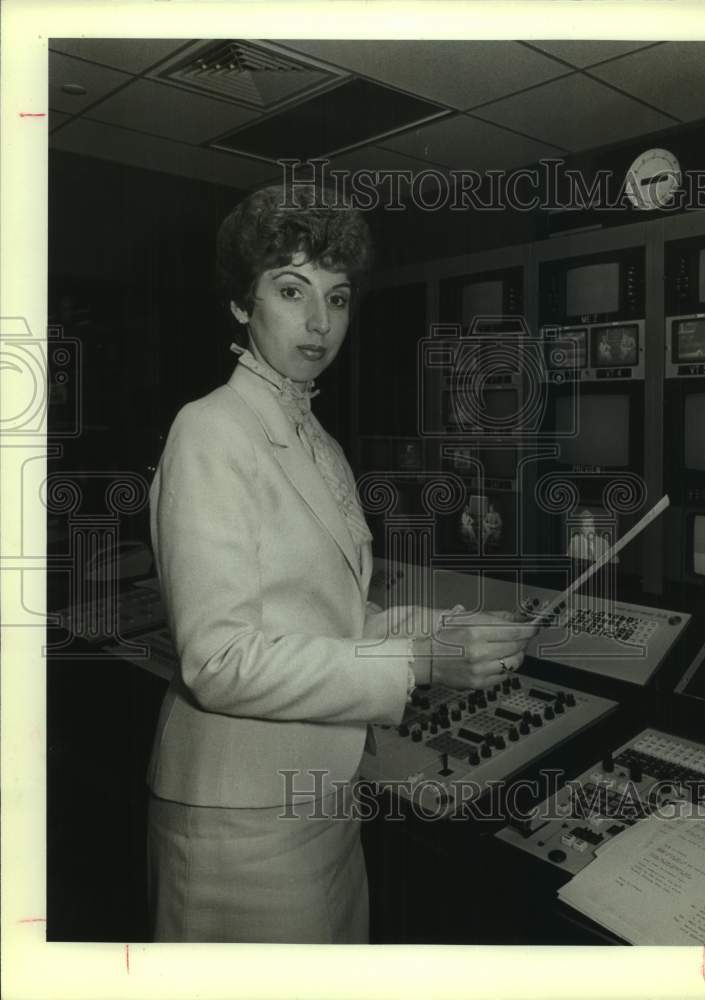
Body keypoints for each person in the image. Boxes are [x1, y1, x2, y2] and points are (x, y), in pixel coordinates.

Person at [145, 183, 536, 944]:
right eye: (292, 291)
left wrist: (437, 629)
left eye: (338, 297)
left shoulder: (316, 439)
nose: (320, 322)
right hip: (241, 821)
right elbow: (218, 661)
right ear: (242, 303)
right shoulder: (211, 430)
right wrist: (418, 661)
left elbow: (332, 616)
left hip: (325, 796)